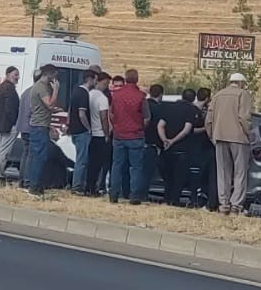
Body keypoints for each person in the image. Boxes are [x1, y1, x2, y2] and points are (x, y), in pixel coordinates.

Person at [207, 72, 255, 215]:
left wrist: (212, 135)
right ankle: (236, 206)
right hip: (239, 138)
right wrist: (249, 134)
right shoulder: (243, 94)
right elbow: (244, 118)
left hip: (220, 137)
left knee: (222, 172)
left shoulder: (217, 95)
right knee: (240, 173)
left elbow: (209, 119)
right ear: (241, 83)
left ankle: (223, 205)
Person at [109, 70, 150, 204]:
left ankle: (113, 194)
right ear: (137, 79)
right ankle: (134, 196)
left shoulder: (116, 95)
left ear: (125, 79)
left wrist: (116, 126)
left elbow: (111, 114)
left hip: (119, 135)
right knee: (136, 167)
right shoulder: (140, 96)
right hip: (135, 135)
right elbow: (147, 118)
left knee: (116, 165)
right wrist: (141, 127)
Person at [158, 89, 202, 206]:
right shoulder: (192, 110)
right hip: (182, 149)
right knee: (179, 178)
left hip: (167, 150)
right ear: (193, 99)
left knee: (168, 176)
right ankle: (174, 200)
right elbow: (187, 130)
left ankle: (166, 199)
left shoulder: (169, 107)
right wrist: (173, 141)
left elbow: (160, 125)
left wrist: (165, 140)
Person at [26, 65, 60, 197]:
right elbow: (50, 104)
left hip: (42, 125)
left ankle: (37, 184)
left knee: (39, 156)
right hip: (39, 127)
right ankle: (34, 186)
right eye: (54, 75)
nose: (55, 78)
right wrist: (56, 90)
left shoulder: (43, 87)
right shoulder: (40, 87)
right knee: (39, 157)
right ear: (48, 74)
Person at [0, 66, 21, 185]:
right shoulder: (8, 88)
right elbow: (10, 108)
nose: (17, 77)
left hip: (4, 124)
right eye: (15, 74)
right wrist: (14, 122)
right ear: (8, 74)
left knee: (2, 150)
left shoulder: (4, 87)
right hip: (8, 125)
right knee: (4, 151)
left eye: (17, 75)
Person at [67, 71, 97, 194]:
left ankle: (77, 184)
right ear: (89, 80)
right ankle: (77, 186)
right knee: (82, 160)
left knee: (80, 158)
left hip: (74, 130)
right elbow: (82, 114)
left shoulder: (75, 91)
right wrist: (89, 128)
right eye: (95, 80)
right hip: (81, 131)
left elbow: (70, 110)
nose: (96, 82)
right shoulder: (84, 93)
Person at [86, 73, 113, 196]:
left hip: (90, 133)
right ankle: (93, 188)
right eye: (105, 83)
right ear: (99, 82)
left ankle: (87, 186)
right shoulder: (103, 98)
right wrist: (107, 134)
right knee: (98, 164)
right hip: (100, 134)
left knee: (90, 162)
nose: (106, 86)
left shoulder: (89, 95)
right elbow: (104, 118)